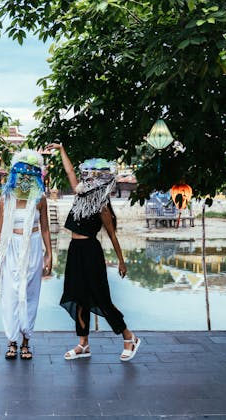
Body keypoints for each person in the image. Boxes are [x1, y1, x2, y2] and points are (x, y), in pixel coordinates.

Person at [46, 142, 141, 362]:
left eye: (91, 177)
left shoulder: (102, 205)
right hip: (75, 250)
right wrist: (62, 149)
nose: (86, 180)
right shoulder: (80, 195)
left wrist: (121, 261)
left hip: (90, 251)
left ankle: (129, 337)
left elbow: (112, 235)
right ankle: (83, 344)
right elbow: (69, 171)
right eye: (86, 176)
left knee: (101, 297)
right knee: (77, 297)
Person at [0, 149, 53, 360]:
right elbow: (0, 230)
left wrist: (49, 255)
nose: (25, 179)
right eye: (22, 175)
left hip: (33, 246)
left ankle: (26, 341)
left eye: (30, 175)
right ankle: (11, 341)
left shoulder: (40, 198)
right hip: (11, 248)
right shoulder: (6, 198)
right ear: (16, 176)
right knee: (10, 295)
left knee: (30, 294)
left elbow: (45, 228)